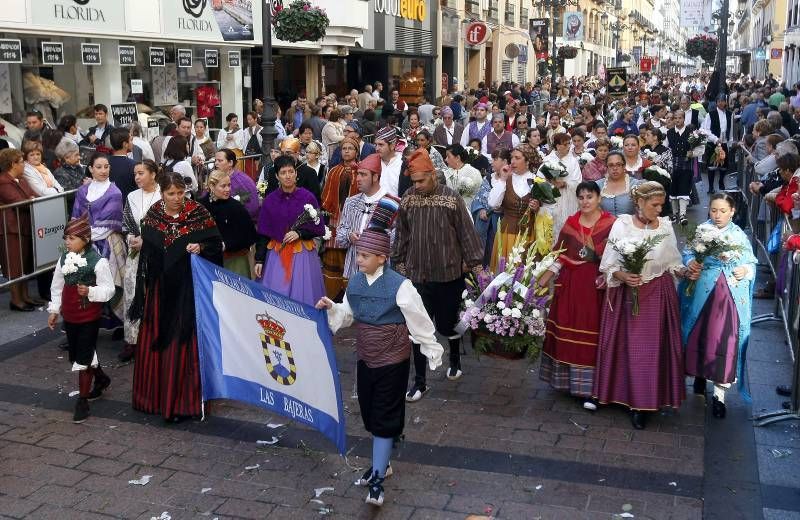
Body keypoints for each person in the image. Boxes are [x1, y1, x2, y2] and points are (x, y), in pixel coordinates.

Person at [316, 228, 442, 506]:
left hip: (393, 359)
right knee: (370, 413)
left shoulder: (401, 286)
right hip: (366, 356)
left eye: (364, 255)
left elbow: (419, 319)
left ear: (382, 258)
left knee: (384, 415)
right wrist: (331, 307)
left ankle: (377, 479)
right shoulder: (357, 283)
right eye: (358, 254)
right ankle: (384, 461)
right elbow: (348, 314)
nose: (358, 260)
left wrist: (430, 348)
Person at [129, 173, 223, 421]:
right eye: (171, 194)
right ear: (162, 194)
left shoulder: (198, 212)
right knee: (159, 336)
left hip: (188, 288)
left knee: (184, 339)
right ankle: (155, 398)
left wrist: (200, 248)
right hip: (160, 290)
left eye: (181, 193)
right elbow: (149, 254)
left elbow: (215, 244)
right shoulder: (154, 215)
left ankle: (184, 401)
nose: (177, 198)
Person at [594, 181, 687, 430]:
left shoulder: (665, 226)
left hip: (658, 293)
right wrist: (623, 276)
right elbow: (608, 263)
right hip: (628, 295)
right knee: (630, 348)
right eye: (654, 205)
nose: (659, 209)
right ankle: (630, 400)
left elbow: (673, 262)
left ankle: (648, 400)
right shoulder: (622, 225)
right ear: (640, 203)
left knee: (652, 349)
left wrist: (685, 271)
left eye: (661, 205)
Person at [393, 149, 483, 398]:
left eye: (422, 180)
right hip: (417, 276)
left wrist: (476, 267)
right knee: (418, 329)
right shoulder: (408, 199)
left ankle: (454, 359)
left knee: (448, 323)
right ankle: (420, 381)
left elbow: (467, 233)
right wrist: (399, 265)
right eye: (414, 181)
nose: (418, 185)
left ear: (433, 175)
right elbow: (401, 234)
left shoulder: (451, 199)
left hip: (448, 274)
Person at [539, 182, 616, 410]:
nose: (585, 201)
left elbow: (616, 256)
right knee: (567, 327)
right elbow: (560, 254)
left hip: (597, 287)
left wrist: (607, 275)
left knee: (592, 333)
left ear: (599, 198)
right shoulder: (571, 223)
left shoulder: (611, 224)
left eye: (589, 197)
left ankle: (592, 388)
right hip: (571, 285)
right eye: (581, 197)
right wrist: (543, 278)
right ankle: (569, 384)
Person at [680, 193, 757, 419]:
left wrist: (745, 271)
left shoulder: (738, 235)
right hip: (702, 293)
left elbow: (750, 261)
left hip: (728, 296)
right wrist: (690, 262)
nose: (717, 215)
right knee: (698, 335)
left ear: (732, 211)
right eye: (714, 210)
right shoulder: (702, 230)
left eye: (723, 211)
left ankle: (720, 395)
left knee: (725, 341)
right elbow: (687, 253)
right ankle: (698, 377)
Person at [47, 214, 115, 423]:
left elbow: (109, 290)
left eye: (72, 238)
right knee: (77, 352)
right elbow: (57, 286)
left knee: (83, 357)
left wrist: (91, 291)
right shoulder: (63, 259)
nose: (67, 242)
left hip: (89, 316)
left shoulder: (98, 262)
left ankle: (82, 402)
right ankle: (102, 379)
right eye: (66, 238)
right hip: (71, 314)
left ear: (85, 239)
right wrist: (54, 309)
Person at [254, 156, 325, 306]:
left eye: (291, 171)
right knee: (277, 293)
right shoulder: (270, 200)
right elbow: (263, 232)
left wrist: (300, 233)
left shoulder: (308, 197)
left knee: (302, 294)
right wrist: (259, 259)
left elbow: (318, 226)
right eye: (283, 172)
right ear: (276, 176)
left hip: (302, 255)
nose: (288, 176)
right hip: (276, 254)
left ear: (296, 174)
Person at [71, 152, 127, 327]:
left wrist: (82, 237)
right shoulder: (82, 191)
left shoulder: (114, 193)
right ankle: (82, 324)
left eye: (106, 167)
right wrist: (79, 239)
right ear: (90, 169)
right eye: (99, 167)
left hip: (107, 243)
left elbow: (107, 228)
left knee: (108, 284)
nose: (103, 171)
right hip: (83, 243)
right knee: (81, 285)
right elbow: (75, 219)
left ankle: (115, 324)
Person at [120, 159, 162, 363]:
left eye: (141, 173)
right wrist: (131, 238)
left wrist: (149, 240)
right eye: (135, 173)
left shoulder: (165, 194)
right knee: (132, 293)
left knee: (156, 295)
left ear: (153, 174)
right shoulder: (131, 196)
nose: (137, 177)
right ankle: (132, 339)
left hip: (159, 255)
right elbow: (126, 224)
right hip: (136, 254)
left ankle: (156, 338)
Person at [335, 153, 400, 280]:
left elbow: (397, 240)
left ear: (375, 177)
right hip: (353, 271)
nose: (358, 178)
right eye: (357, 174)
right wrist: (349, 236)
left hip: (380, 273)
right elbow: (340, 234)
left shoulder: (392, 204)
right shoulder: (351, 202)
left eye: (363, 174)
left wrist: (372, 243)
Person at [488, 143, 542, 271]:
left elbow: (545, 212)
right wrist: (502, 179)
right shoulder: (505, 178)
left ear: (528, 161)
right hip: (506, 233)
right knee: (504, 274)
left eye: (517, 158)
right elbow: (493, 203)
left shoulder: (537, 180)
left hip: (528, 235)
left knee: (524, 276)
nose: (512, 161)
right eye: (512, 158)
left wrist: (537, 207)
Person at [321, 137, 361, 299]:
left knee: (351, 255)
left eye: (350, 148)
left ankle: (351, 293)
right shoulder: (333, 171)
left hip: (355, 221)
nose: (346, 151)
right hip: (335, 219)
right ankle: (333, 294)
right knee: (334, 257)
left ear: (356, 152)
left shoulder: (361, 171)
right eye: (344, 148)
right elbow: (326, 195)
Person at [0, 149, 39, 311]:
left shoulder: (21, 179)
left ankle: (25, 296)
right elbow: (18, 201)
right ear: (12, 164)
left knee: (24, 264)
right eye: (21, 161)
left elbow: (33, 195)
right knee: (15, 265)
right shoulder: (3, 181)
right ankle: (16, 300)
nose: (24, 164)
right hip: (10, 228)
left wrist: (30, 199)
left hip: (23, 225)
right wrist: (30, 199)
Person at [199, 170, 257, 278]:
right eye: (223, 186)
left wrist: (226, 244)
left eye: (229, 185)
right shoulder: (201, 206)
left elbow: (249, 235)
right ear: (212, 186)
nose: (227, 189)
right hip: (207, 262)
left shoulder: (236, 207)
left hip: (234, 261)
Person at [472, 148, 509, 267]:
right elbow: (478, 197)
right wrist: (481, 209)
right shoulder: (488, 178)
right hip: (485, 221)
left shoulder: (511, 180)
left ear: (505, 161)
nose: (492, 162)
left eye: (495, 159)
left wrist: (503, 209)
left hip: (503, 223)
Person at [543, 133, 582, 241]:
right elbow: (540, 181)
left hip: (568, 201)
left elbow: (578, 182)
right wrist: (551, 182)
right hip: (552, 201)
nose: (569, 146)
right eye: (565, 144)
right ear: (557, 146)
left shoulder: (573, 161)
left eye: (569, 144)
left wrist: (565, 184)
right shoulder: (547, 161)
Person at [214, 149, 260, 223]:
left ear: (230, 162)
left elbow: (251, 207)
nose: (216, 163)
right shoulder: (218, 178)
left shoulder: (240, 181)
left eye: (220, 161)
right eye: (215, 160)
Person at [595, 151, 643, 217]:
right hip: (604, 226)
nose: (615, 168)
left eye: (618, 164)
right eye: (611, 165)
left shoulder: (635, 184)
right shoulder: (597, 185)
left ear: (624, 166)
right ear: (606, 167)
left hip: (630, 225)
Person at [666, 113, 694, 225]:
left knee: (684, 188)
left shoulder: (691, 133)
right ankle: (674, 214)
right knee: (673, 189)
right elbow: (666, 148)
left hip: (686, 164)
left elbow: (699, 148)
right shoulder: (669, 133)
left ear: (684, 119)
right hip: (673, 163)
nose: (677, 120)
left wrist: (693, 153)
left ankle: (682, 215)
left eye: (680, 118)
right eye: (675, 118)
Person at [444, 144, 483, 210]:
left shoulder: (472, 172)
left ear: (457, 158)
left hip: (468, 209)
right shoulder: (446, 173)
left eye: (448, 156)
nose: (445, 159)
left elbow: (479, 191)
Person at [108, 128, 138, 199]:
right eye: (131, 140)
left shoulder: (104, 163)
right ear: (125, 144)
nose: (132, 143)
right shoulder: (134, 165)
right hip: (128, 205)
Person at [375, 127, 403, 197]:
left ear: (392, 145)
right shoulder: (373, 162)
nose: (377, 148)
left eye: (381, 145)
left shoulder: (402, 164)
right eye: (376, 144)